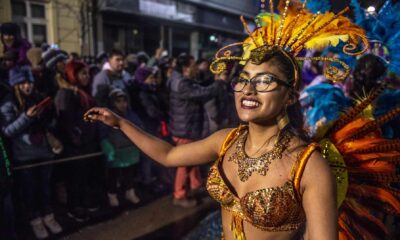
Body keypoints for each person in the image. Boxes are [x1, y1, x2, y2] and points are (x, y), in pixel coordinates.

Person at [84, 1, 373, 239]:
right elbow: (169, 154)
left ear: (290, 97)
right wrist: (120, 123)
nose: (248, 90)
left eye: (264, 81)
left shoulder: (309, 165)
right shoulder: (226, 140)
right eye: (244, 79)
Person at [0, 66, 62, 239]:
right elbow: (7, 131)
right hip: (24, 155)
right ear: (15, 85)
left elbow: (52, 124)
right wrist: (26, 117)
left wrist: (49, 117)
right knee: (30, 191)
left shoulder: (39, 97)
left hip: (44, 151)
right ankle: (35, 220)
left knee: (45, 188)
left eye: (29, 82)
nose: (28, 86)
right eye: (23, 83)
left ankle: (48, 217)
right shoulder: (8, 103)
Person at [54, 60, 98, 221]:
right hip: (74, 147)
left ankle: (82, 203)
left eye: (87, 73)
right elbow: (65, 122)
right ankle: (74, 207)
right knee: (73, 179)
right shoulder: (66, 93)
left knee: (83, 177)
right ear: (73, 75)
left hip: (86, 143)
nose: (87, 76)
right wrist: (77, 139)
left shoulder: (83, 92)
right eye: (82, 73)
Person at [99, 88, 142, 207]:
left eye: (124, 101)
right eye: (118, 101)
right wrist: (107, 147)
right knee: (114, 174)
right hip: (116, 151)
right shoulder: (107, 117)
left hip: (130, 151)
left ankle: (129, 192)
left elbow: (140, 127)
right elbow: (103, 134)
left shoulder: (131, 115)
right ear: (112, 102)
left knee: (129, 173)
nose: (122, 104)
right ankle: (112, 194)